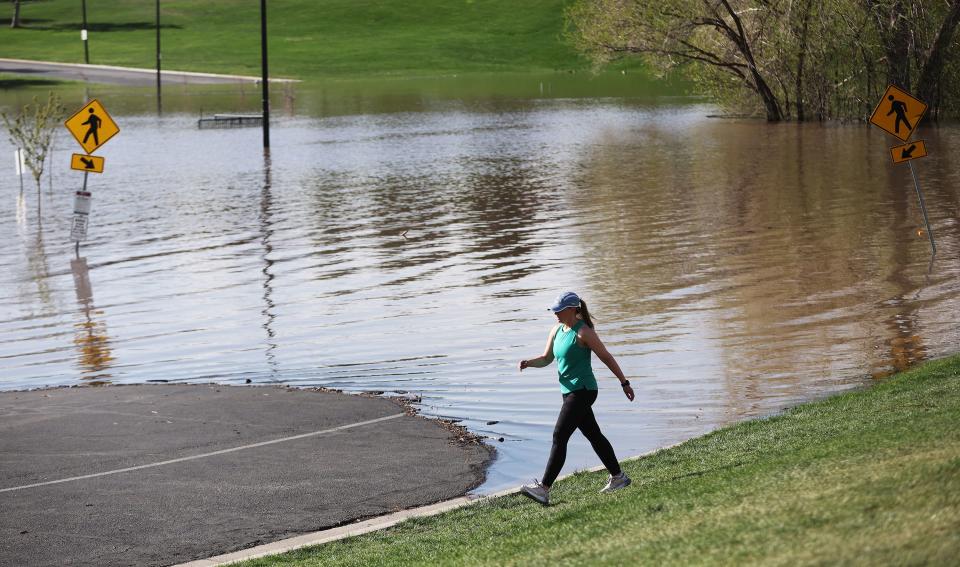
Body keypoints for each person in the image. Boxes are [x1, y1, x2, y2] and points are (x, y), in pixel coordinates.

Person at [517, 291, 635, 505]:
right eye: (554, 310)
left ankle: (543, 489)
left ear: (573, 309)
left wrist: (624, 382)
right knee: (594, 435)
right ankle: (619, 477)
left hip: (583, 390)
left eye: (559, 310)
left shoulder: (584, 332)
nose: (555, 313)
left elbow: (606, 357)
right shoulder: (557, 330)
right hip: (568, 392)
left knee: (559, 435)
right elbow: (546, 359)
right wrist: (529, 362)